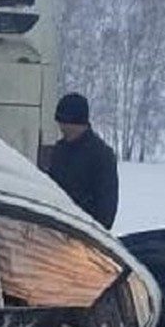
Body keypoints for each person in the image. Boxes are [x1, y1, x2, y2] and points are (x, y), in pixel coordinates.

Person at [46, 92, 119, 228]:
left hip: (83, 235)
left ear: (80, 123)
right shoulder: (59, 150)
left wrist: (72, 207)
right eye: (60, 123)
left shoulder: (102, 156)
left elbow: (105, 214)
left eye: (66, 124)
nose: (62, 128)